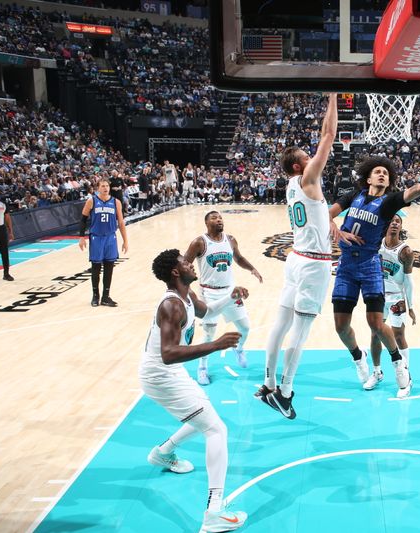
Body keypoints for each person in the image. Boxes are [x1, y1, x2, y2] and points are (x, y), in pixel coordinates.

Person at [328, 151, 420, 398]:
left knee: (375, 323)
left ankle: (399, 365)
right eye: (378, 172)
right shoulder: (354, 195)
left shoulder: (390, 201)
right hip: (345, 268)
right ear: (368, 178)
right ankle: (358, 356)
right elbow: (326, 214)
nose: (382, 174)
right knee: (341, 327)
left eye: (386, 173)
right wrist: (335, 228)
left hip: (369, 265)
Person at [139, 249, 248, 531]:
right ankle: (214, 513)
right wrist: (216, 344)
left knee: (203, 414)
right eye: (185, 262)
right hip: (161, 375)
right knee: (216, 429)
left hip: (169, 372)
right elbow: (169, 353)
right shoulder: (171, 305)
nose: (190, 263)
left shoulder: (188, 297)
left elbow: (208, 310)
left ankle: (163, 452)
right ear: (175, 272)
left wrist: (231, 296)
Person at [258, 93, 337, 420]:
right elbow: (329, 135)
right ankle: (285, 393)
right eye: (308, 156)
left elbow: (317, 214)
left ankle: (267, 383)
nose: (313, 157)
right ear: (298, 166)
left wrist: (329, 219)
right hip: (314, 265)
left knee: (280, 325)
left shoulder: (293, 187)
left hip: (296, 258)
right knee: (300, 332)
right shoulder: (307, 178)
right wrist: (334, 96)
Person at [184, 211, 263, 385]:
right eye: (214, 218)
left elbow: (239, 258)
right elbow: (184, 264)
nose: (219, 219)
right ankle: (202, 368)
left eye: (220, 217)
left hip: (230, 292)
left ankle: (239, 349)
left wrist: (252, 269)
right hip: (209, 293)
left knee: (245, 327)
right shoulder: (199, 243)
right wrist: (186, 289)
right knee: (208, 334)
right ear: (206, 223)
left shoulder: (231, 239)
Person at [365, 214, 416, 392]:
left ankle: (405, 372)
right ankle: (377, 372)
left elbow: (409, 281)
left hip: (396, 298)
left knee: (398, 336)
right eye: (392, 220)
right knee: (374, 334)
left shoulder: (405, 251)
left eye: (398, 221)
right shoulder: (377, 244)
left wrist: (411, 306)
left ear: (401, 227)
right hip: (378, 295)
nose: (394, 223)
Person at [79, 178, 128, 307]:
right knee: (95, 267)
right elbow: (83, 220)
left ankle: (106, 296)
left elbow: (121, 223)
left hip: (111, 238)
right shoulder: (92, 201)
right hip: (96, 238)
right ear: (98, 188)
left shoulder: (116, 202)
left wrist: (125, 241)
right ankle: (95, 296)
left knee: (109, 267)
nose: (105, 188)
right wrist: (81, 237)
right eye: (102, 186)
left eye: (107, 186)